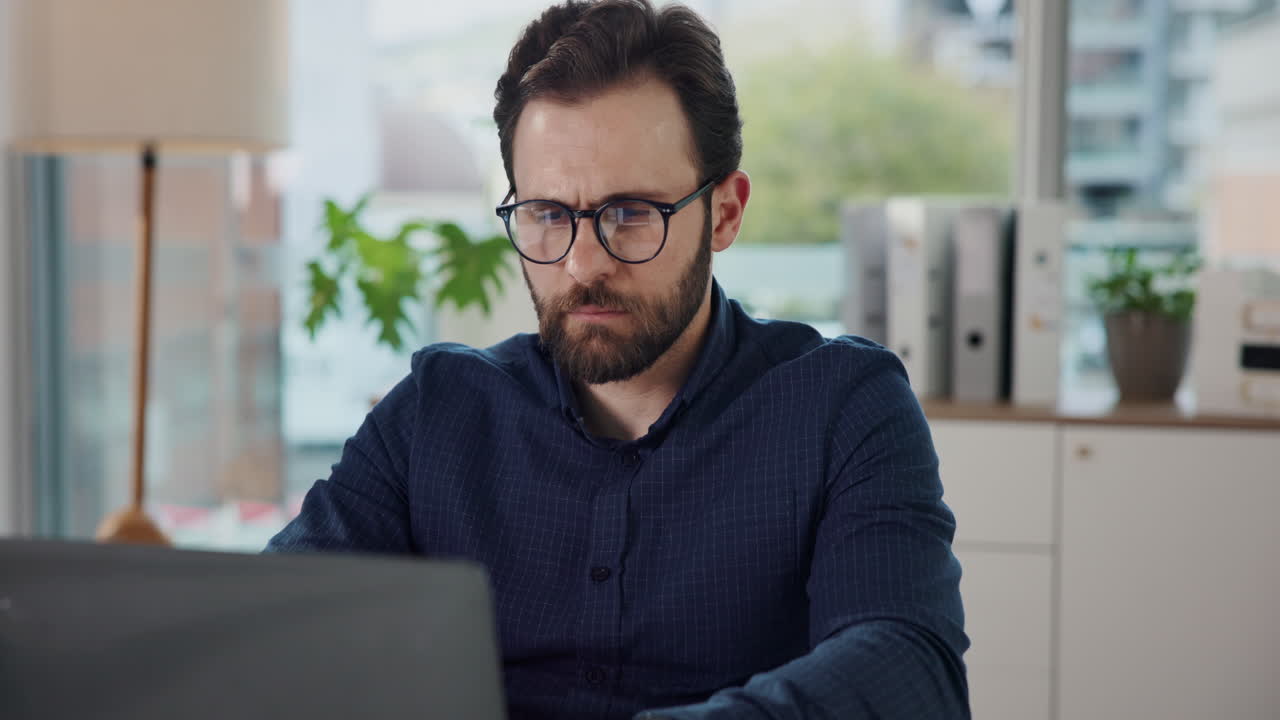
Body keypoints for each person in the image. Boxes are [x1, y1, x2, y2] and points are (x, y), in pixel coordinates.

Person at [267, 1, 969, 717]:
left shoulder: (842, 406)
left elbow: (909, 670)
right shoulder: (436, 413)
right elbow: (266, 631)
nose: (581, 264)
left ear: (724, 212)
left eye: (631, 213)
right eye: (547, 214)